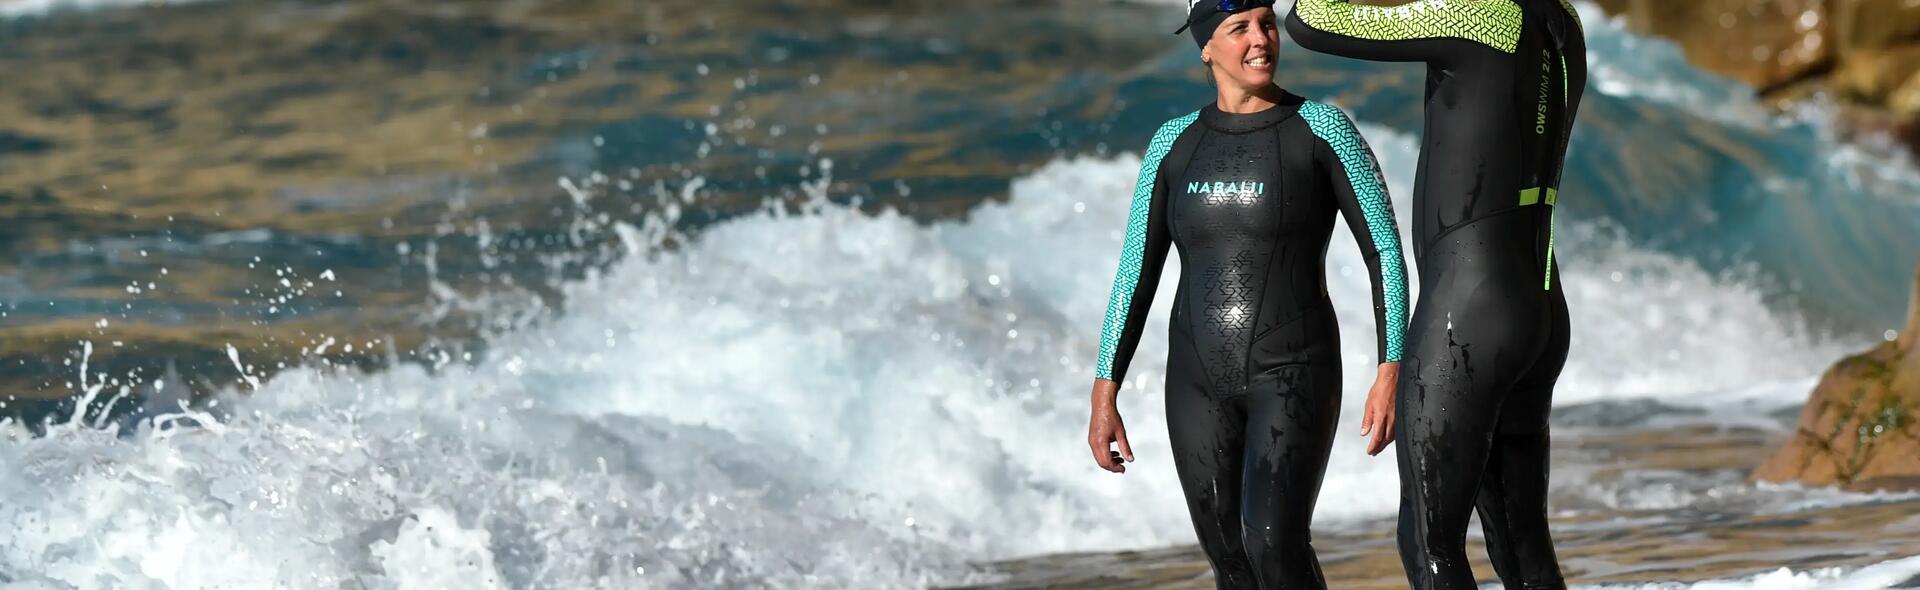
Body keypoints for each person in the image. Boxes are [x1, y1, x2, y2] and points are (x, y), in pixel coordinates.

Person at [1084, 1, 1410, 587]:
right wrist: (1105, 390)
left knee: (1272, 543)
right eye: (1239, 28)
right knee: (1227, 554)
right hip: (1195, 379)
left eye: (1266, 23)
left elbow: (1384, 253)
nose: (1261, 39)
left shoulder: (1321, 129)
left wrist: (1392, 369)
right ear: (1206, 47)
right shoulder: (1172, 144)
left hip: (1292, 369)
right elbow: (1136, 270)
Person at [1282, 0, 1586, 587]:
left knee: (1430, 538)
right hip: (1539, 299)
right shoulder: (1563, 19)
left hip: (1468, 313)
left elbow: (1310, 21)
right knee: (1523, 541)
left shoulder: (1479, 16)